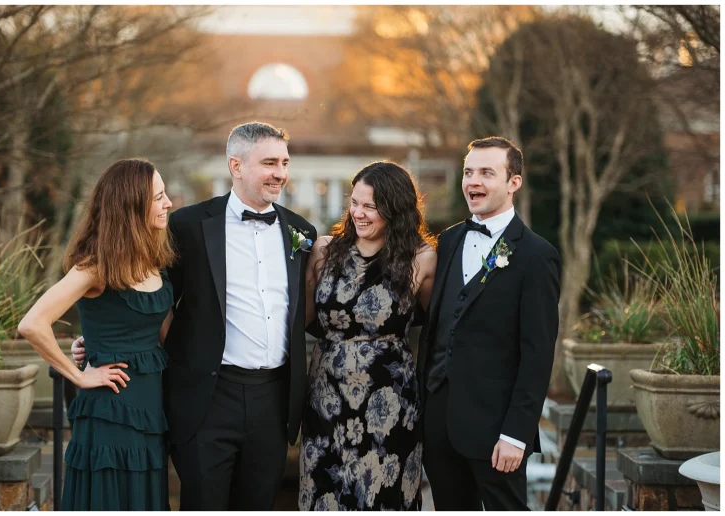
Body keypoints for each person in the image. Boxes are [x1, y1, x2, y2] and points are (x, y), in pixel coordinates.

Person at [72, 122, 316, 510]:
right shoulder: (187, 226)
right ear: (236, 165)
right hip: (207, 399)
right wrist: (101, 340)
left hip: (273, 400)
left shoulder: (301, 232)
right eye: (269, 163)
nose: (280, 174)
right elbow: (149, 292)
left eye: (285, 163)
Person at [19, 158, 174, 510]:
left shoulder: (155, 260)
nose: (168, 204)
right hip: (109, 409)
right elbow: (32, 324)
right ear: (131, 206)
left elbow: (152, 329)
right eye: (159, 197)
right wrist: (78, 375)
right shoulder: (95, 266)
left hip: (150, 408)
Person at [417, 136, 561, 510]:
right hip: (439, 423)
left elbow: (538, 353)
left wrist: (517, 433)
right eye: (468, 172)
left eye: (486, 173)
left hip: (497, 431)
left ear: (514, 182)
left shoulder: (536, 256)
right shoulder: (447, 242)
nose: (473, 182)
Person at [299, 161, 437, 511]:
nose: (358, 213)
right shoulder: (325, 251)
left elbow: (439, 328)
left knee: (383, 498)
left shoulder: (421, 258)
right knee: (324, 497)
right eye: (354, 202)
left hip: (389, 407)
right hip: (326, 400)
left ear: (394, 209)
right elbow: (297, 320)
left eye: (370, 206)